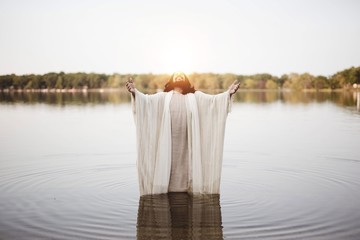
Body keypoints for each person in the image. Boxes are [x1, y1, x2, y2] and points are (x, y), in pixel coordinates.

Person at [126, 72, 239, 196]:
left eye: (182, 75)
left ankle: (187, 186)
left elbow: (213, 101)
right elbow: (146, 101)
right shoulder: (163, 97)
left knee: (187, 160)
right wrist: (134, 92)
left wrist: (228, 93)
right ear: (172, 79)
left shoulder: (195, 96)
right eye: (176, 75)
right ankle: (168, 188)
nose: (179, 76)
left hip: (188, 138)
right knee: (169, 160)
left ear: (186, 80)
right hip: (168, 139)